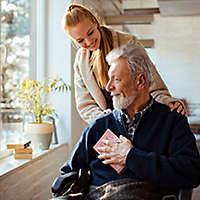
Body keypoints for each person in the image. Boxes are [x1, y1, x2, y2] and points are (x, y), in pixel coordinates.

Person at [53, 42, 200, 200]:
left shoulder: (172, 121)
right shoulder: (100, 125)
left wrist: (131, 157)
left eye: (116, 80)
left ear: (140, 81)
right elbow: (68, 173)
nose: (108, 87)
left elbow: (191, 173)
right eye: (109, 79)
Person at [63, 3, 186, 124]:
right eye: (80, 40)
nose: (89, 41)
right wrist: (102, 118)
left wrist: (167, 101)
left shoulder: (128, 43)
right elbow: (85, 105)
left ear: (95, 22)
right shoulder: (80, 62)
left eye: (90, 33)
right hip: (109, 127)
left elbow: (153, 85)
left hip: (140, 121)